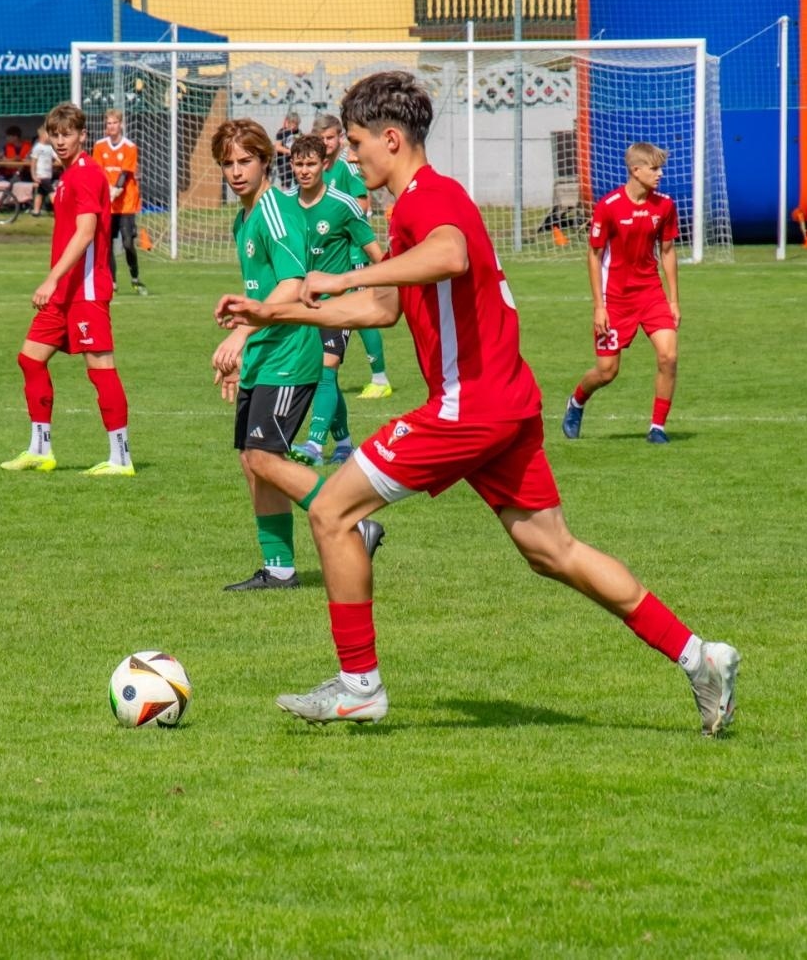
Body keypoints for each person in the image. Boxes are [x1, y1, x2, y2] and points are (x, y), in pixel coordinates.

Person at [214, 71, 739, 735]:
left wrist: (347, 269)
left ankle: (359, 684)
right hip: (508, 400)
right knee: (552, 549)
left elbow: (450, 254)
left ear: (391, 138)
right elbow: (381, 308)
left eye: (354, 143)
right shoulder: (424, 202)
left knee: (335, 514)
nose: (350, 157)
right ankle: (702, 656)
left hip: (472, 405)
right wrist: (274, 310)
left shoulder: (427, 201)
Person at [207, 118, 385, 592]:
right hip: (266, 351)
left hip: (292, 351)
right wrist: (246, 353)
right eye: (228, 163)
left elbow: (292, 284)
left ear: (267, 160)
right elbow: (261, 289)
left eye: (245, 160)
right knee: (252, 460)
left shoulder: (274, 212)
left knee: (264, 458)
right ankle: (279, 567)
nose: (236, 171)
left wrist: (239, 336)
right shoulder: (244, 216)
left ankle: (354, 522)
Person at [1, 103, 134, 477]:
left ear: (81, 135)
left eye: (67, 134)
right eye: (55, 135)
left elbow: (87, 233)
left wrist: (52, 278)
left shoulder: (87, 174)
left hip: (86, 290)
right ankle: (40, 449)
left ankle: (120, 457)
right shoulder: (67, 178)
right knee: (30, 359)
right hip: (64, 294)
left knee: (100, 368)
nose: (61, 141)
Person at [560, 143, 681, 445]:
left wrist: (673, 299)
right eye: (654, 169)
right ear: (635, 170)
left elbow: (667, 251)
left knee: (668, 356)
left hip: (651, 294)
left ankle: (657, 428)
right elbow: (593, 255)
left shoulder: (665, 205)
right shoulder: (609, 206)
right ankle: (576, 402)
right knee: (606, 372)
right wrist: (599, 307)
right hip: (615, 299)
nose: (660, 174)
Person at [286, 132, 382, 468]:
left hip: (339, 307)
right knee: (321, 375)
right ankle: (343, 443)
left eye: (310, 163)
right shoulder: (286, 206)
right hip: (302, 305)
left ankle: (313, 444)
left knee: (325, 370)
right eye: (298, 164)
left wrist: (382, 287)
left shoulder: (343, 206)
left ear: (324, 164)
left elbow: (376, 254)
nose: (304, 170)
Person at [315, 113, 395, 400]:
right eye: (321, 138)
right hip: (330, 257)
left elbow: (362, 203)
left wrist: (336, 218)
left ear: (340, 138)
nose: (326, 143)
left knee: (361, 315)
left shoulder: (347, 170)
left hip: (353, 254)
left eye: (330, 137)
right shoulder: (318, 170)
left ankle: (380, 378)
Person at [93, 109, 148, 295]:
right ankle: (112, 282)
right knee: (106, 243)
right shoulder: (99, 146)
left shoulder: (129, 147)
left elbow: (125, 173)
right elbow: (99, 171)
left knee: (127, 243)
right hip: (108, 203)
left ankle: (135, 277)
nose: (111, 126)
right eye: (108, 123)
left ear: (121, 125)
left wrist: (115, 190)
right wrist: (106, 192)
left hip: (126, 203)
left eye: (114, 123)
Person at [28, 128, 58, 217]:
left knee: (40, 193)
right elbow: (33, 162)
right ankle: (59, 209)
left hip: (48, 174)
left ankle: (36, 211)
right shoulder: (37, 147)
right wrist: (33, 174)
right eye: (49, 135)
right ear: (43, 136)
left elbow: (56, 157)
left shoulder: (50, 147)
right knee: (51, 192)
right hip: (41, 174)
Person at [273, 111, 301, 191]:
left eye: (297, 124)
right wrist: (289, 151)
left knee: (298, 179)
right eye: (293, 124)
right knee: (286, 181)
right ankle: (285, 195)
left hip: (296, 160)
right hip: (284, 161)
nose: (295, 126)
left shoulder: (298, 132)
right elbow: (277, 147)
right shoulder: (282, 132)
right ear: (288, 122)